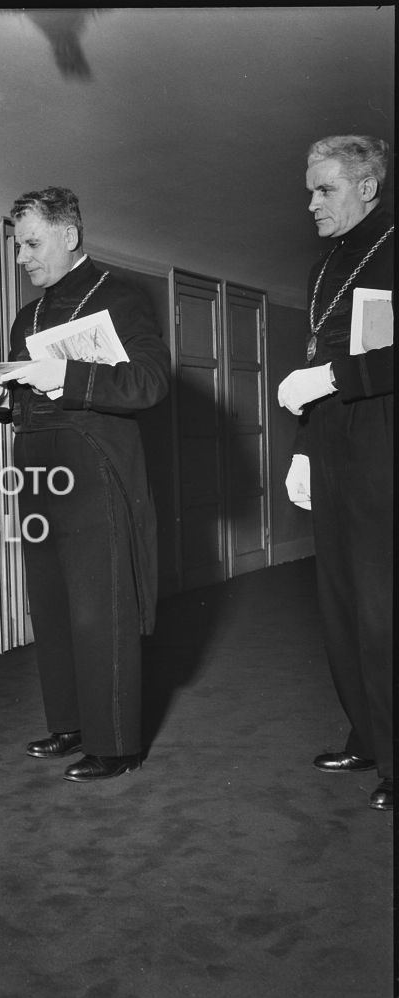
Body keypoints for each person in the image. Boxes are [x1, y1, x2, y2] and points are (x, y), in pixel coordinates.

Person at [0, 186, 170, 782]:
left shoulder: (121, 297)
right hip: (37, 468)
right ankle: (69, 723)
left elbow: (150, 383)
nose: (21, 258)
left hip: (95, 467)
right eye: (17, 245)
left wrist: (65, 373)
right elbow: (24, 401)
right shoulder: (25, 317)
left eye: (32, 243)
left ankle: (116, 743)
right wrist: (1, 399)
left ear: (70, 234)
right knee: (53, 602)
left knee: (99, 606)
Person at [276, 135, 393, 812]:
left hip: (382, 439)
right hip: (328, 441)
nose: (311, 203)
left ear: (366, 188)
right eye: (309, 191)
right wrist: (300, 449)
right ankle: (369, 737)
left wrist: (335, 376)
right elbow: (315, 354)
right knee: (340, 603)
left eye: (324, 189)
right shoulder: (323, 268)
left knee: (383, 609)